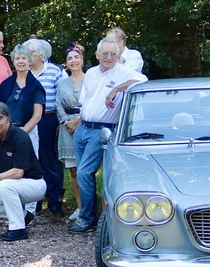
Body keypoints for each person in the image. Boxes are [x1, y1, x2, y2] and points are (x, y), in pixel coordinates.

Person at [68, 37, 147, 233]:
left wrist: (117, 89)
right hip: (83, 127)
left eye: (113, 54)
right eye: (105, 53)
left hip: (102, 130)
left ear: (118, 55)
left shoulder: (123, 72)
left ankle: (87, 219)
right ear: (97, 55)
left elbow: (143, 80)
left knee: (85, 172)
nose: (109, 57)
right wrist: (78, 122)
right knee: (82, 174)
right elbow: (86, 100)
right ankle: (90, 213)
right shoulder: (91, 73)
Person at [0, 102, 46, 242]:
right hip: (11, 185)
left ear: (8, 118)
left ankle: (18, 229)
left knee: (5, 184)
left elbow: (18, 173)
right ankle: (24, 216)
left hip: (35, 185)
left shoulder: (20, 136)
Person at [27, 38, 65, 216]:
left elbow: (61, 98)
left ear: (41, 54)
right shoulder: (23, 71)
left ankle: (55, 199)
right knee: (33, 159)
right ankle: (35, 199)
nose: (26, 55)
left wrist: (59, 121)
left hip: (49, 119)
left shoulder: (55, 71)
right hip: (29, 120)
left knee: (50, 160)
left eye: (30, 52)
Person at [0, 45, 45, 156]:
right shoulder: (5, 85)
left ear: (29, 61)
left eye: (24, 58)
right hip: (7, 132)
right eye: (17, 58)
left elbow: (37, 115)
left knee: (28, 165)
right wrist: (6, 131)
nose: (20, 61)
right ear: (13, 61)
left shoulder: (36, 86)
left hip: (28, 132)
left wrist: (21, 133)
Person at [56, 42, 86, 222]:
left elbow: (93, 103)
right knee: (73, 170)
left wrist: (78, 121)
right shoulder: (62, 83)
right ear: (66, 62)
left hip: (85, 125)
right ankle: (80, 207)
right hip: (67, 129)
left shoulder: (90, 80)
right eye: (70, 58)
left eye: (76, 57)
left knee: (86, 170)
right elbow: (58, 104)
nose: (73, 61)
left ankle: (91, 206)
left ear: (82, 59)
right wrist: (67, 122)